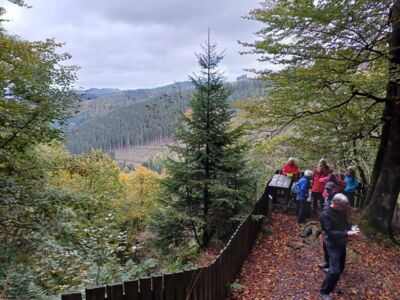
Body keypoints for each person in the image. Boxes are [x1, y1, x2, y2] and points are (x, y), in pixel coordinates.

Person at [319, 193, 360, 300]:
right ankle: (324, 292)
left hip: (341, 243)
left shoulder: (341, 211)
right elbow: (329, 232)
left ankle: (332, 281)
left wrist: (353, 227)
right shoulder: (325, 214)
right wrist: (347, 233)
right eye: (343, 206)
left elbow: (346, 223)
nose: (344, 209)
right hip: (332, 244)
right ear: (335, 203)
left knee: (341, 268)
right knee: (335, 271)